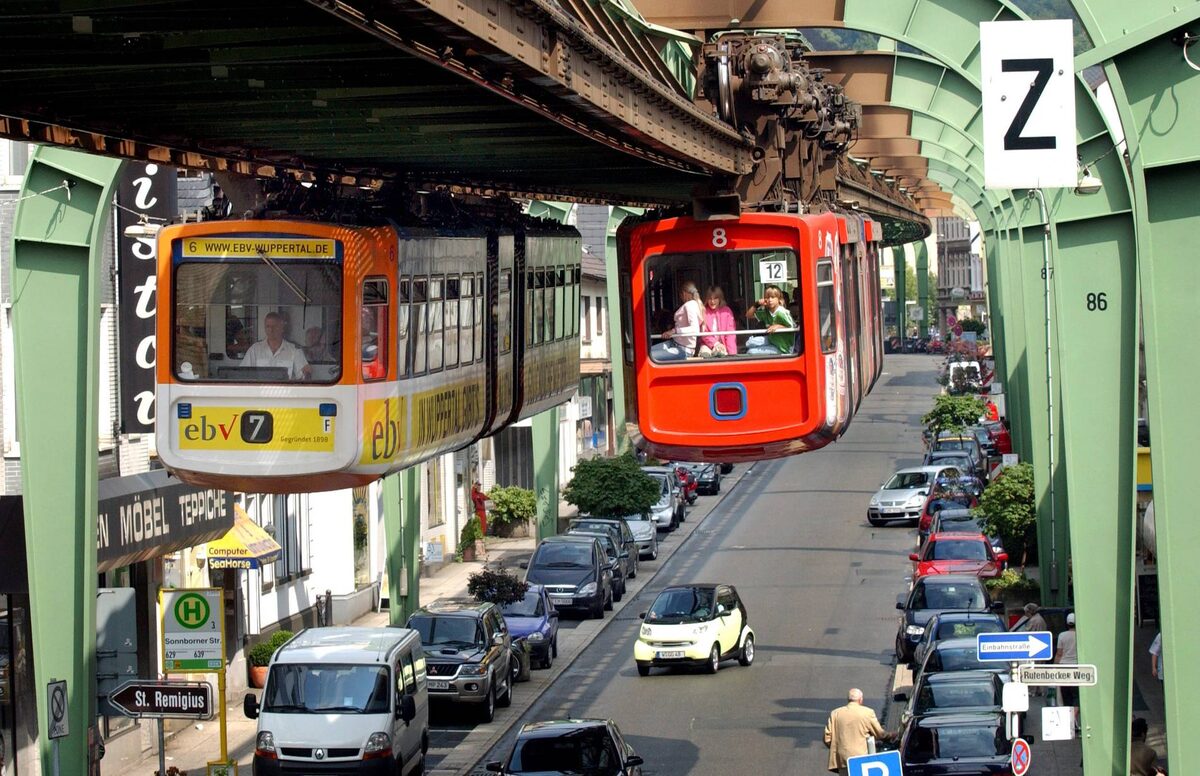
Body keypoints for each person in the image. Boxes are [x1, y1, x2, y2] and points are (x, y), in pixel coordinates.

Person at [824, 688, 892, 775]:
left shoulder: (835, 713)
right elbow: (880, 734)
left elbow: (827, 738)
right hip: (861, 758)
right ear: (860, 700)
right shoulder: (867, 712)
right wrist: (891, 735)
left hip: (842, 759)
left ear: (848, 700)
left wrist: (837, 747)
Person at [242, 311, 312, 380]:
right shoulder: (254, 349)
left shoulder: (294, 350)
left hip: (286, 390)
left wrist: (306, 373)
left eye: (274, 326)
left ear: (282, 328)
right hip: (259, 390)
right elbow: (243, 373)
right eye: (268, 326)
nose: (271, 330)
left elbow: (304, 377)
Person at [651, 281, 703, 361]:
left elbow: (695, 329)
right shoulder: (692, 304)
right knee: (647, 352)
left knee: (648, 356)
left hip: (683, 349)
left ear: (684, 293)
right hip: (674, 343)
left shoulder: (690, 305)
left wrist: (674, 331)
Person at [744, 284, 795, 355]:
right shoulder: (766, 312)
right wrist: (757, 304)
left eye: (773, 297)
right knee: (749, 343)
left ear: (779, 299)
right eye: (767, 297)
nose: (770, 300)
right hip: (772, 340)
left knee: (751, 351)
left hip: (782, 347)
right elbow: (748, 315)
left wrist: (778, 326)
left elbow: (793, 328)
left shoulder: (782, 312)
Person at [698, 285, 737, 357]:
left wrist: (732, 353)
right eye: (710, 298)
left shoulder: (727, 311)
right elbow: (703, 333)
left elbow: (730, 334)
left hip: (722, 346)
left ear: (720, 299)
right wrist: (715, 344)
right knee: (704, 354)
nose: (712, 301)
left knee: (721, 355)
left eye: (715, 298)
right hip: (706, 345)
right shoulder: (703, 311)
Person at [1055, 612, 1079, 728]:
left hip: (1064, 668)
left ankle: (1069, 721)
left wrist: (1054, 669)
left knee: (1066, 697)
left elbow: (1059, 654)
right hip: (1078, 669)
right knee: (1077, 697)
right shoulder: (1081, 635)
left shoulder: (1062, 635)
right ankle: (1073, 719)